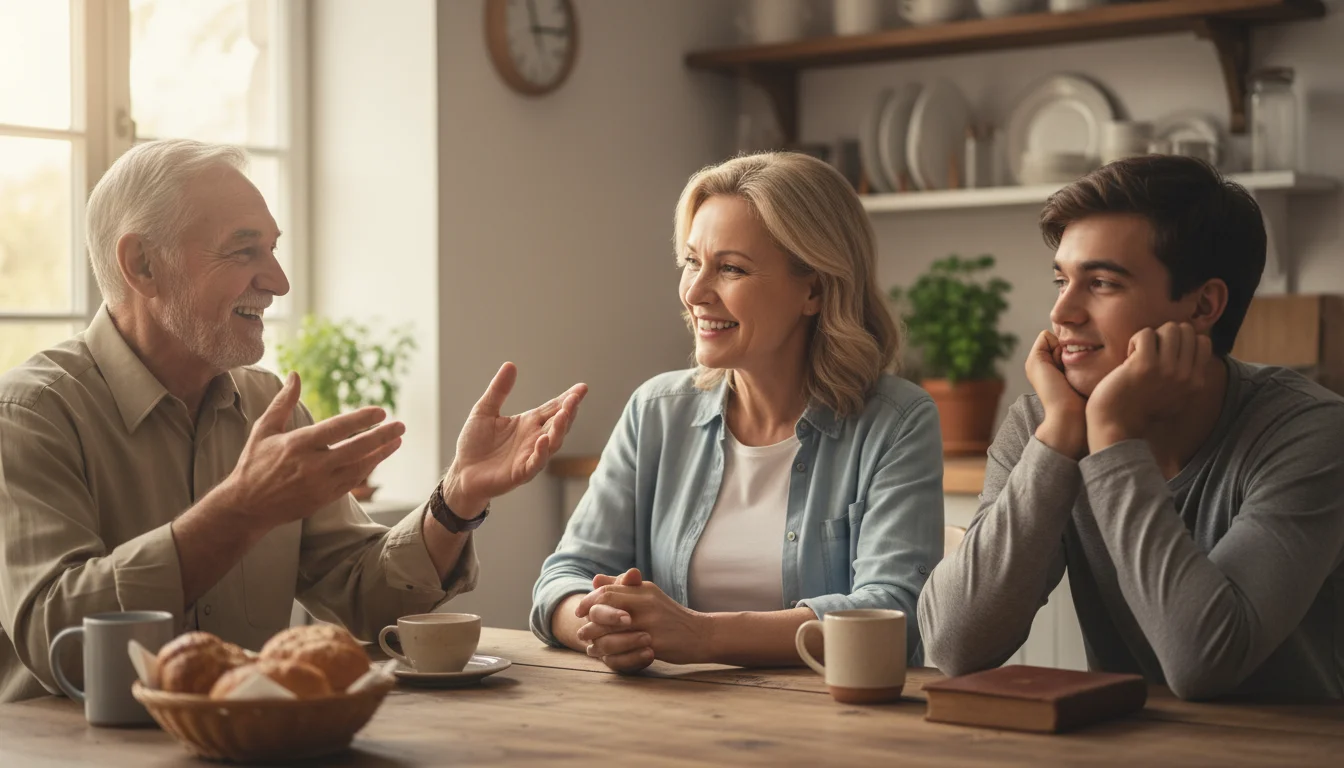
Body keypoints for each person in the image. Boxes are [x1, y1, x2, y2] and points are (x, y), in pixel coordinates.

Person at [0, 139, 587, 702]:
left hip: (251, 746)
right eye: (243, 249)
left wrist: (456, 499)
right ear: (143, 265)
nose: (278, 281)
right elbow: (59, 639)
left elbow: (365, 595)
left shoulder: (267, 406)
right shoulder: (30, 415)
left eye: (273, 250)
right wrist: (240, 510)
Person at [918, 155, 1344, 700]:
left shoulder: (1308, 433)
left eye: (1101, 283)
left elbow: (1204, 663)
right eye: (1061, 280)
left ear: (1203, 305)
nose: (1062, 313)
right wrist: (1059, 437)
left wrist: (1113, 436)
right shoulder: (1046, 423)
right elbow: (955, 644)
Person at [530, 152, 944, 673]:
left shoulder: (896, 421)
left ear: (813, 289)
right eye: (691, 262)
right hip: (670, 726)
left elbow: (893, 613)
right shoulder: (655, 412)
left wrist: (701, 636)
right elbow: (564, 577)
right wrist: (603, 626)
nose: (695, 292)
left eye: (730, 268)